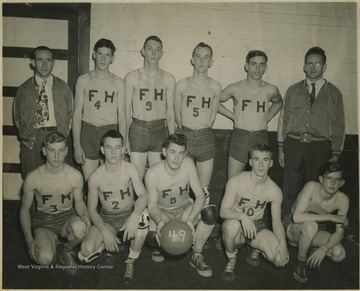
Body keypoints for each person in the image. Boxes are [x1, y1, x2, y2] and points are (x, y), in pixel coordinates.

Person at [277, 46, 345, 217]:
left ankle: (311, 229)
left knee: (314, 189)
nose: (313, 67)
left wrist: (335, 154)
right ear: (304, 66)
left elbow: (339, 124)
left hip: (320, 147)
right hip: (294, 144)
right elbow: (283, 120)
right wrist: (280, 148)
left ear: (324, 67)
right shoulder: (293, 90)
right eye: (309, 63)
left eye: (317, 63)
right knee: (290, 188)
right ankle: (287, 228)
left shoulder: (334, 93)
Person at [78, 129, 149, 287]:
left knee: (143, 218)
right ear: (102, 150)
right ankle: (107, 243)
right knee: (85, 251)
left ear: (123, 149)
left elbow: (143, 195)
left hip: (127, 214)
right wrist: (104, 232)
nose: (113, 152)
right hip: (107, 218)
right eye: (109, 148)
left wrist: (135, 215)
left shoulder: (130, 168)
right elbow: (91, 210)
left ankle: (131, 260)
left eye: (117, 147)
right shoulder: (95, 177)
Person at [145, 134, 218, 278]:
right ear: (164, 152)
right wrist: (160, 221)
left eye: (180, 153)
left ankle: (196, 254)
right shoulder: (152, 173)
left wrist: (190, 219)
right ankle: (162, 247)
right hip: (163, 211)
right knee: (150, 235)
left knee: (209, 212)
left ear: (185, 154)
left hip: (184, 208)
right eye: (172, 152)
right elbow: (152, 205)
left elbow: (200, 196)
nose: (176, 158)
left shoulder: (189, 164)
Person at [19, 132, 91, 275]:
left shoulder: (75, 176)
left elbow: (79, 203)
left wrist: (85, 215)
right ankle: (50, 242)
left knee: (82, 227)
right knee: (45, 259)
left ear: (66, 151)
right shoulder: (33, 178)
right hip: (44, 221)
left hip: (66, 218)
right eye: (52, 150)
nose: (57, 156)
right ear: (44, 151)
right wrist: (29, 240)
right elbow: (24, 210)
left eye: (60, 150)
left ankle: (67, 250)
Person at [220, 144, 289, 281]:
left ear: (271, 163)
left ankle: (253, 247)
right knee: (231, 226)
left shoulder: (274, 190)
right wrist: (242, 216)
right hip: (237, 225)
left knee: (280, 259)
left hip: (257, 227)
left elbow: (276, 221)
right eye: (257, 159)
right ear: (251, 162)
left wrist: (283, 243)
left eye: (265, 160)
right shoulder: (236, 182)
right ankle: (232, 258)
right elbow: (223, 212)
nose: (261, 165)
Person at [218, 50, 283, 179]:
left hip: (260, 135)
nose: (257, 68)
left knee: (259, 181)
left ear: (265, 67)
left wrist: (268, 117)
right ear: (246, 66)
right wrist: (232, 116)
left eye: (261, 64)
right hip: (240, 136)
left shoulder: (270, 89)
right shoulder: (235, 88)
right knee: (233, 181)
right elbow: (215, 101)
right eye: (253, 64)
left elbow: (279, 102)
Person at [284, 161, 349, 283]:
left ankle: (311, 247)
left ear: (342, 183)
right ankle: (300, 261)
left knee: (339, 253)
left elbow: (339, 233)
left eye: (337, 179)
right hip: (293, 228)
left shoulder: (343, 199)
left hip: (318, 231)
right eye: (329, 178)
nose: (333, 183)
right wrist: (330, 217)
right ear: (321, 179)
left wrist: (323, 249)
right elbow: (297, 217)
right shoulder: (311, 187)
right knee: (310, 226)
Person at [14, 45, 73, 179]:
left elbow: (70, 115)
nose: (45, 64)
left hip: (57, 138)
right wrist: (29, 135)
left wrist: (61, 137)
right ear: (33, 62)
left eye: (48, 60)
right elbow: (17, 118)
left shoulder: (63, 88)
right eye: (40, 60)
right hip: (32, 140)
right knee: (32, 182)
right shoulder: (24, 89)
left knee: (58, 183)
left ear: (53, 63)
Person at [72, 38, 126, 181]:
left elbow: (122, 116)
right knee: (90, 181)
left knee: (110, 180)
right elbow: (76, 114)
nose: (103, 59)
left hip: (110, 131)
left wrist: (123, 144)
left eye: (107, 55)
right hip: (88, 131)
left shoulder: (119, 82)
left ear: (112, 58)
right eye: (100, 54)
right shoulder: (83, 80)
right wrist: (76, 144)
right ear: (94, 55)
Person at [175, 42, 222, 204]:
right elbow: (177, 115)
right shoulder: (182, 84)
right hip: (185, 134)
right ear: (192, 60)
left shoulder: (215, 86)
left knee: (203, 190)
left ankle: (200, 227)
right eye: (198, 57)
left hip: (205, 136)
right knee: (181, 185)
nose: (202, 61)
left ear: (211, 62)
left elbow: (212, 117)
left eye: (206, 57)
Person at [125, 35, 176, 179]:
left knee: (157, 177)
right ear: (143, 51)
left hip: (159, 129)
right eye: (150, 48)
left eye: (157, 50)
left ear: (162, 53)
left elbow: (170, 111)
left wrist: (172, 140)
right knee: (136, 176)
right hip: (137, 129)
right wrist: (125, 138)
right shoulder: (131, 77)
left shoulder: (168, 78)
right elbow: (125, 111)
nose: (153, 53)